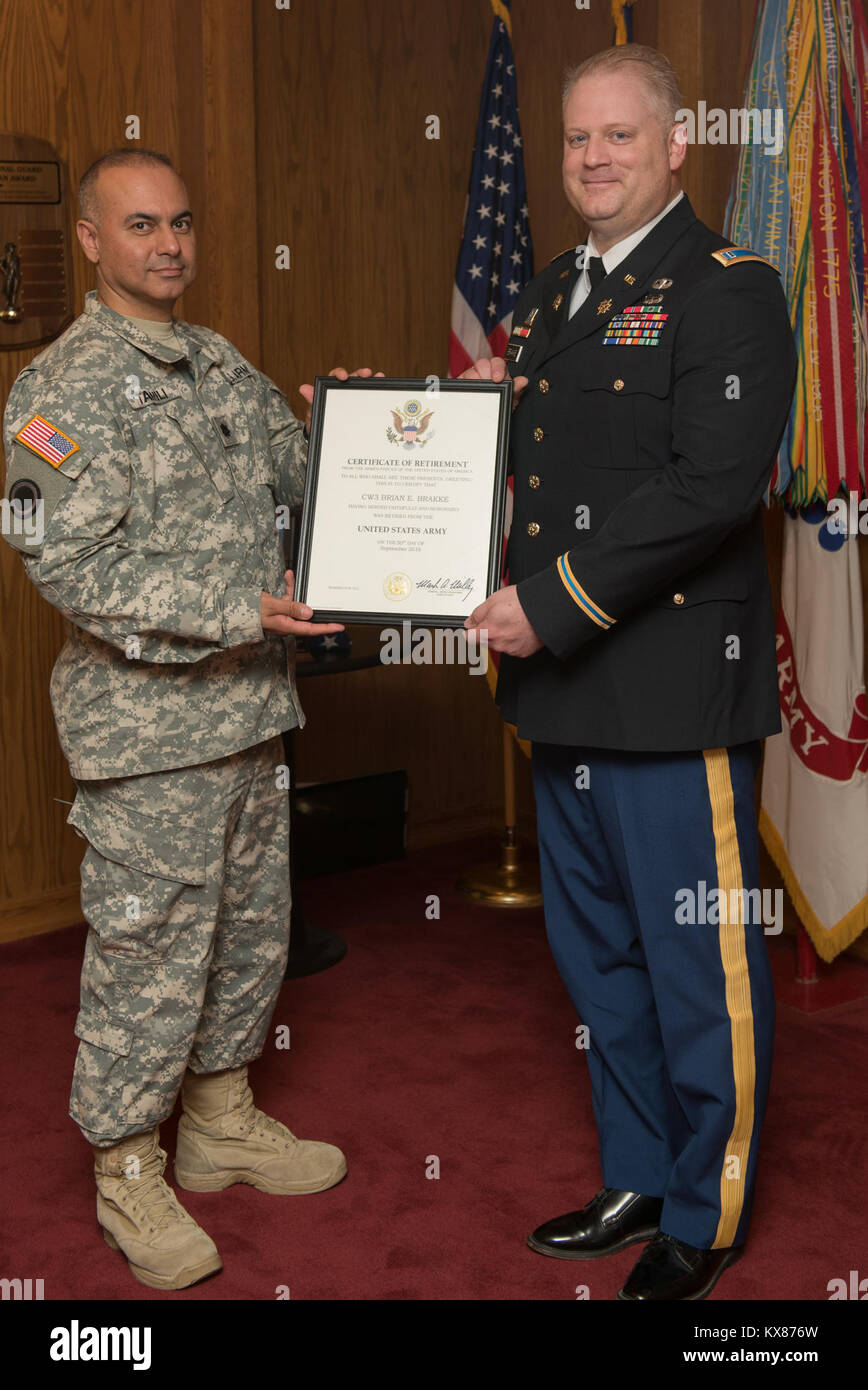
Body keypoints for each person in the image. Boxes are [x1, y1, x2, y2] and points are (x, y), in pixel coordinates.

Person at [1, 148, 378, 1291]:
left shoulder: (216, 362)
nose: (168, 244)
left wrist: (357, 429)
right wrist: (232, 610)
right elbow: (57, 558)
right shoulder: (58, 390)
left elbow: (300, 479)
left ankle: (216, 1120)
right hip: (148, 734)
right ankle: (126, 1164)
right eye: (141, 225)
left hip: (248, 715)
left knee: (246, 935)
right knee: (149, 952)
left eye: (181, 223)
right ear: (91, 241)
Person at [464, 45, 797, 1300]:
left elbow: (709, 487)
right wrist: (406, 434)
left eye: (618, 135)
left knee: (696, 966)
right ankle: (639, 1172)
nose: (592, 158)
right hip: (565, 687)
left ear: (673, 145)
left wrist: (547, 606)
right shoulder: (555, 290)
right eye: (575, 138)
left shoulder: (727, 290)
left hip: (663, 683)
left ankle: (704, 1213)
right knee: (599, 957)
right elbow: (537, 457)